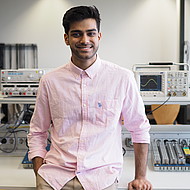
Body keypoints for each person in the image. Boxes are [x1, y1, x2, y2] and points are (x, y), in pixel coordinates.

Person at [27, 5, 152, 190]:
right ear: (66, 38)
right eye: (77, 34)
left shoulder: (122, 78)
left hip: (102, 178)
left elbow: (139, 128)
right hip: (54, 178)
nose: (85, 40)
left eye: (91, 33)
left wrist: (140, 177)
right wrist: (39, 171)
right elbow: (37, 131)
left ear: (99, 36)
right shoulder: (49, 81)